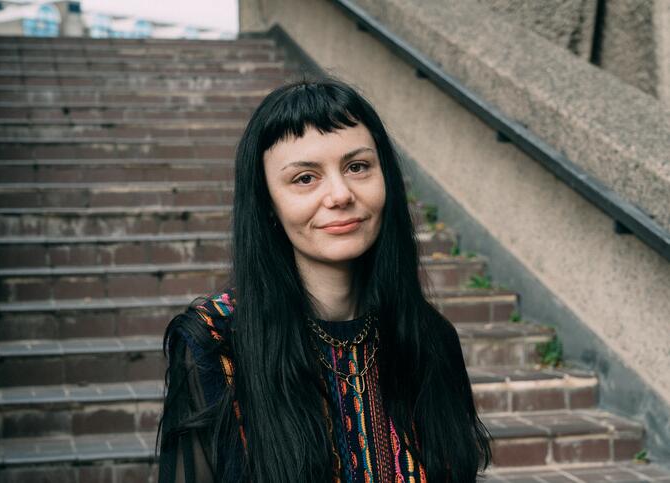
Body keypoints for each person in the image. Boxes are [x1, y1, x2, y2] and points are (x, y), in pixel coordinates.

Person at [156, 77, 492, 483]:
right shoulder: (215, 344)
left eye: (357, 167)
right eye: (305, 178)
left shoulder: (431, 339)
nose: (339, 194)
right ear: (268, 206)